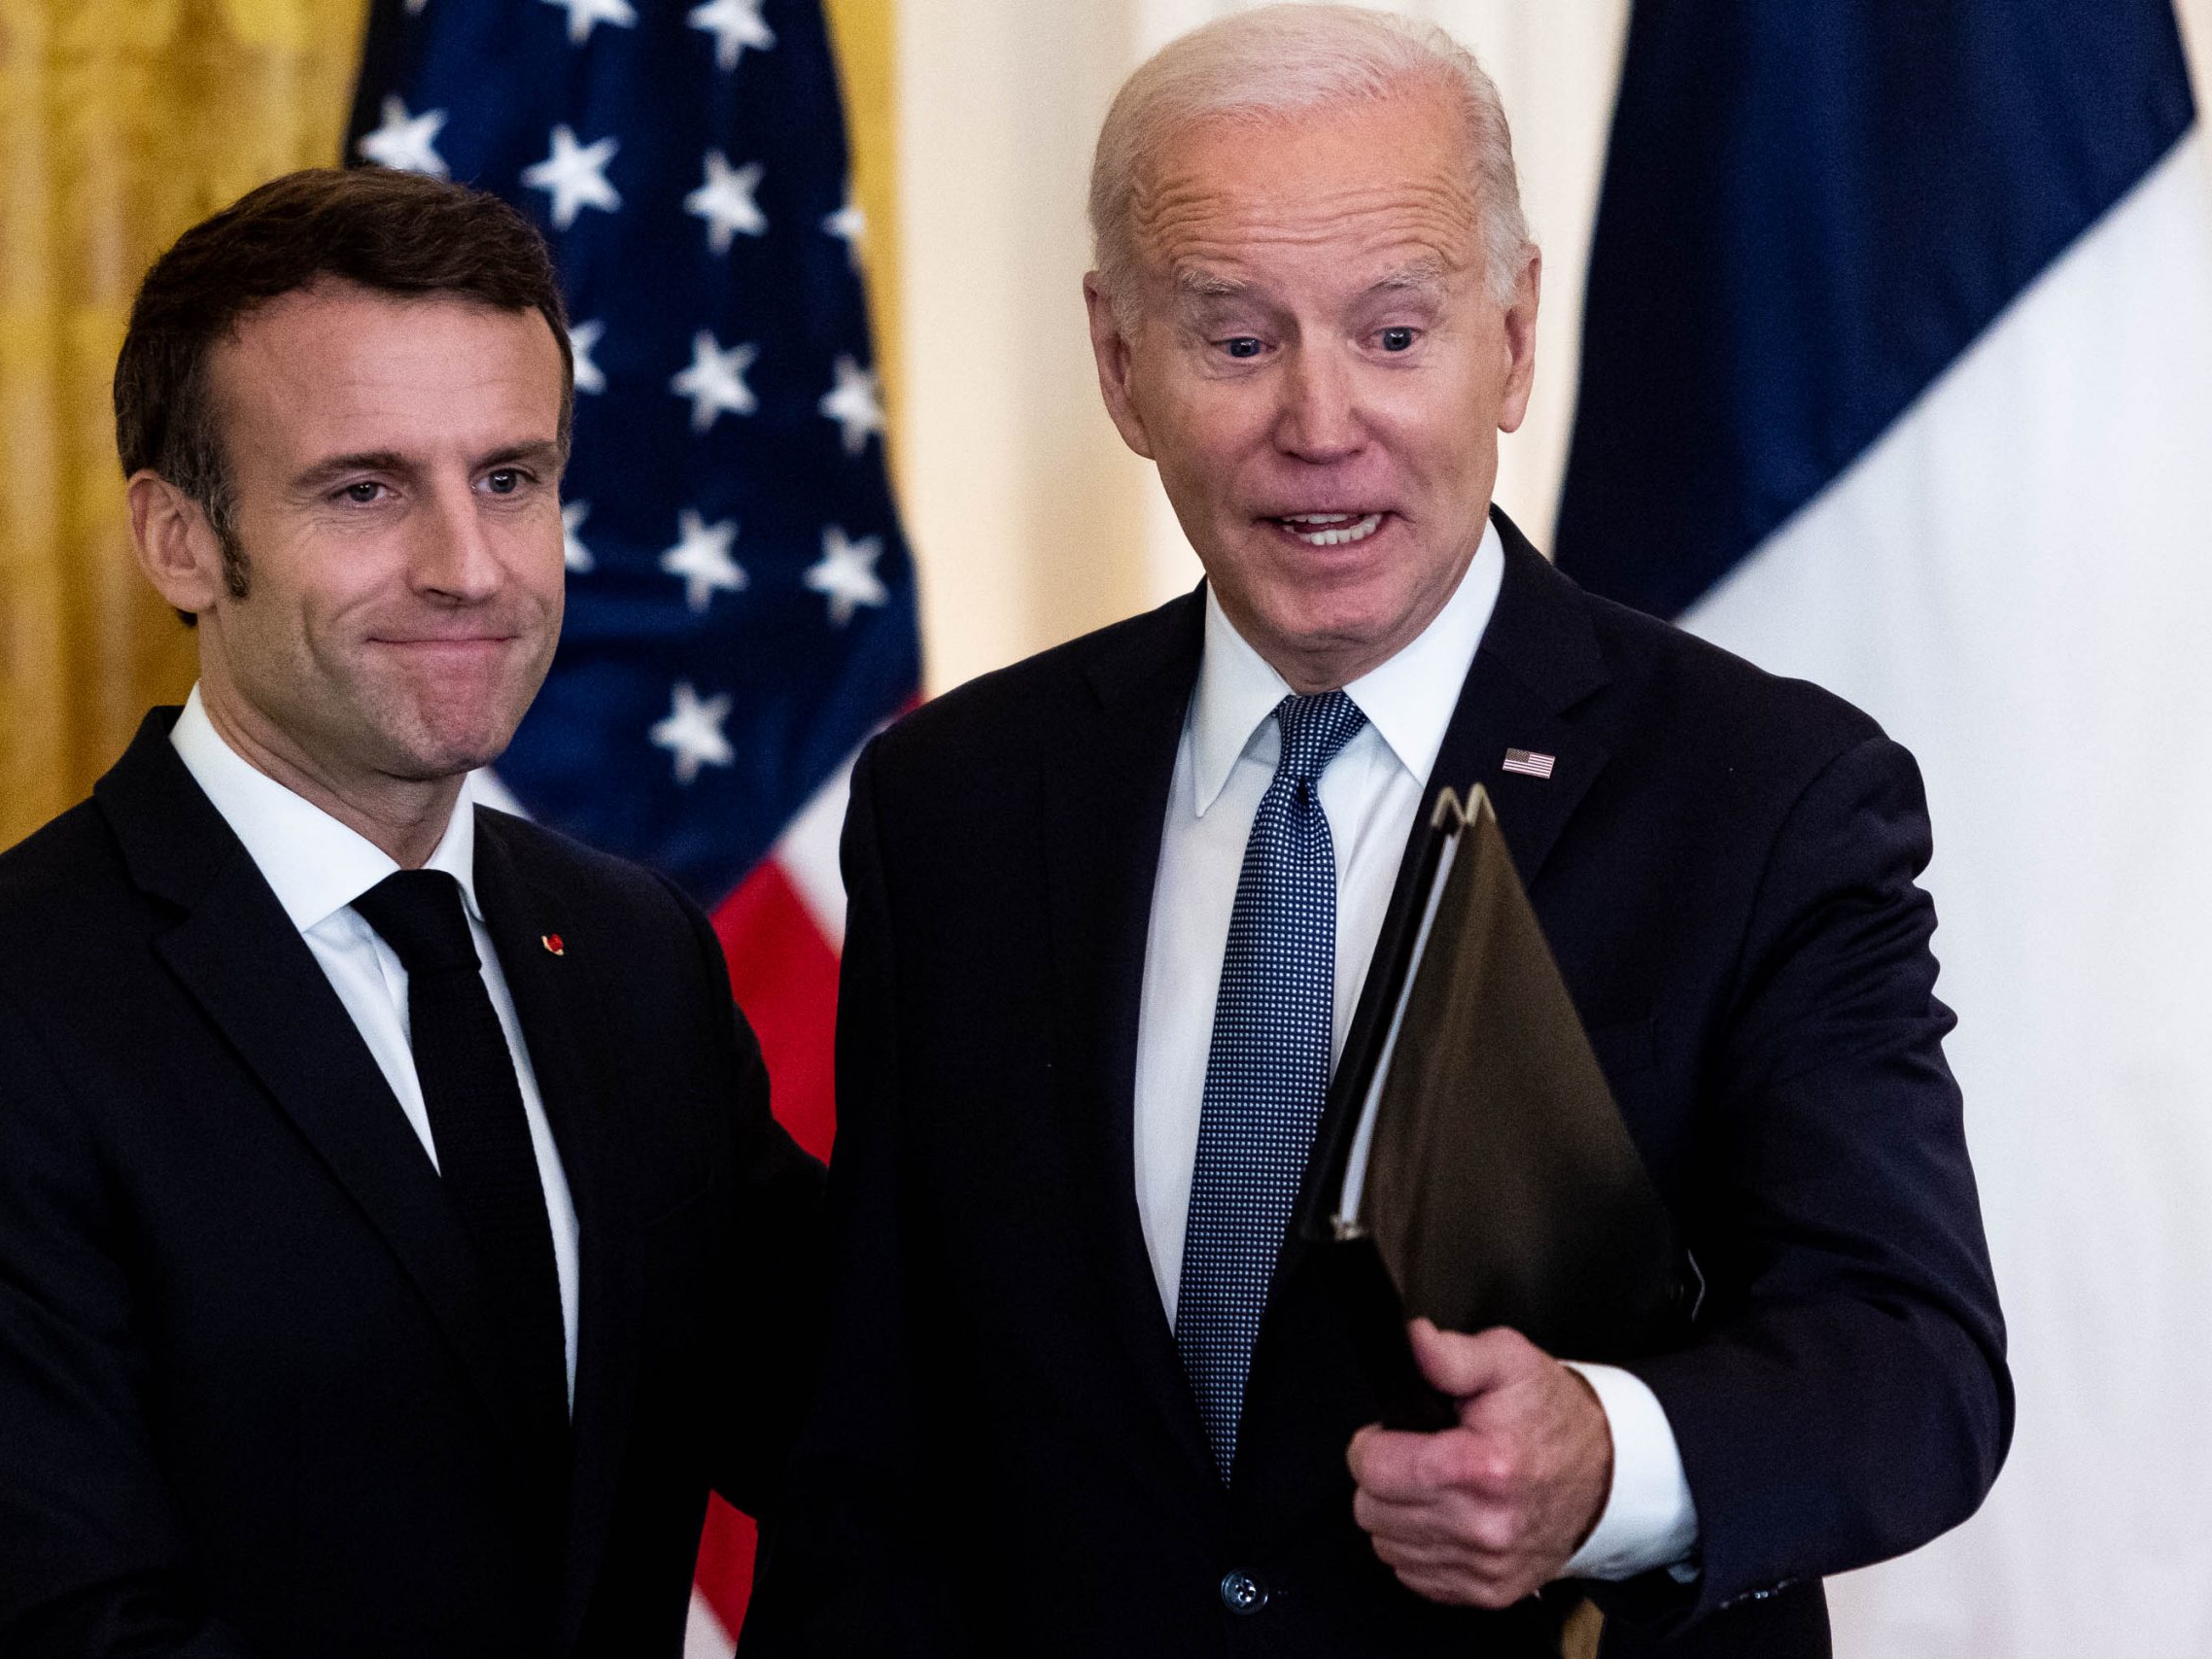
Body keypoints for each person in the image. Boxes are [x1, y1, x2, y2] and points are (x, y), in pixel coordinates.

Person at [740, 10, 2007, 1656]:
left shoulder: (1765, 794)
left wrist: (1610, 1461)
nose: (1321, 424)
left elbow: (1913, 1363)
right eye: (1238, 341)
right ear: (1119, 362)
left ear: (1515, 334)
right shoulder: (957, 799)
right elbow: (882, 1443)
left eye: (1395, 335)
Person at [0, 167, 821, 1658]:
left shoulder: (632, 952)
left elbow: (861, 1429)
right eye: (364, 489)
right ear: (180, 542)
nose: (471, 570)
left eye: (512, 478)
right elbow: (66, 1629)